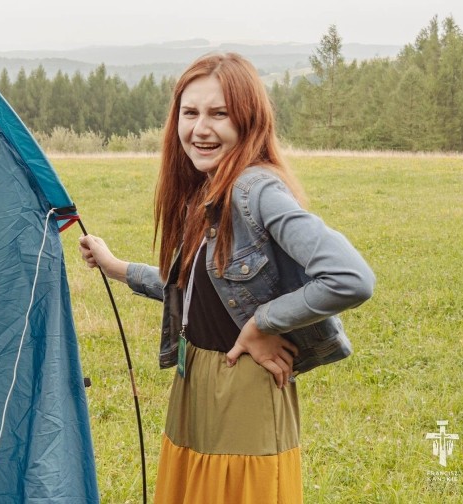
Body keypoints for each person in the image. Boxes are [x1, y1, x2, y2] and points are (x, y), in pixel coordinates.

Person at [78, 52, 375, 504]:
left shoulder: (255, 190)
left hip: (243, 387)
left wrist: (262, 324)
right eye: (190, 112)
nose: (200, 128)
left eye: (219, 114)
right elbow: (201, 289)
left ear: (248, 121)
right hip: (196, 379)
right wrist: (117, 267)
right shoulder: (206, 189)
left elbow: (350, 277)